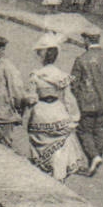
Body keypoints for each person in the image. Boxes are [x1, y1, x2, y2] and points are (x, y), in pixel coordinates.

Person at [26, 34, 86, 180]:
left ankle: (42, 170)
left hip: (41, 113)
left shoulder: (36, 75)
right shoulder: (61, 75)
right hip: (58, 111)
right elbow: (69, 99)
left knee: (40, 144)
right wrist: (74, 118)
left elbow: (32, 98)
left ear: (42, 56)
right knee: (62, 143)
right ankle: (59, 174)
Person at [69, 30, 103, 176]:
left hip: (87, 104)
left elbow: (74, 84)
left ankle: (94, 156)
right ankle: (95, 163)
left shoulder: (81, 59)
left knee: (83, 131)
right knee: (100, 131)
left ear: (86, 40)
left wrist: (79, 99)